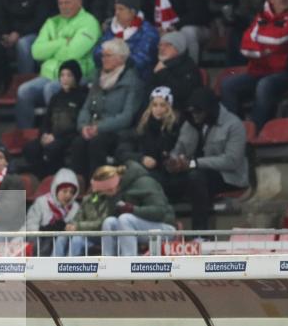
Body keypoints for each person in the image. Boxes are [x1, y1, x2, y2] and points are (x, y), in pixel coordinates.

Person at [221, 0, 288, 130]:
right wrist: (264, 50)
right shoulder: (262, 16)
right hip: (261, 70)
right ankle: (235, 129)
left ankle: (257, 130)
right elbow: (246, 44)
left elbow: (279, 38)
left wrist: (260, 43)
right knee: (228, 85)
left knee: (265, 85)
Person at [16, 0, 101, 129]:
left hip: (78, 76)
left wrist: (50, 49)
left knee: (51, 89)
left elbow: (72, 53)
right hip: (48, 75)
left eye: (67, 2)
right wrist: (61, 42)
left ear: (79, 2)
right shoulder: (52, 22)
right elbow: (36, 52)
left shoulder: (89, 22)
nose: (63, 7)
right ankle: (25, 134)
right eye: (60, 3)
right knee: (23, 91)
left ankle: (56, 132)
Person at [165, 87, 249, 231]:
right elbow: (179, 149)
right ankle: (167, 230)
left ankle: (200, 233)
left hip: (227, 177)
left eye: (198, 112)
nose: (194, 116)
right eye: (191, 112)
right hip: (192, 171)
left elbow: (232, 161)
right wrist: (173, 161)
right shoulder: (189, 124)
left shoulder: (233, 125)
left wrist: (194, 163)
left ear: (209, 110)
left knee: (197, 177)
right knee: (163, 179)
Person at [71, 38, 143, 180]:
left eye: (107, 55)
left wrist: (99, 128)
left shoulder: (132, 82)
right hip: (93, 128)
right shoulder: (98, 77)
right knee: (78, 142)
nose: (103, 59)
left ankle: (99, 183)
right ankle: (78, 184)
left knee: (97, 143)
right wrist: (83, 126)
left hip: (117, 131)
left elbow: (126, 117)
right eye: (102, 55)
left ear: (121, 58)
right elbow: (86, 108)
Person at [22, 59, 88, 178]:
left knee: (53, 148)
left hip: (69, 137)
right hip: (51, 135)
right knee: (31, 148)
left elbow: (77, 124)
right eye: (62, 75)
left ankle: (55, 178)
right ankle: (41, 179)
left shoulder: (82, 97)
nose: (65, 79)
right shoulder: (56, 97)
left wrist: (56, 136)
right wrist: (43, 135)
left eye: (69, 75)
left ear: (76, 77)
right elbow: (46, 121)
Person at [96, 164, 176, 256]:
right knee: (109, 222)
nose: (105, 194)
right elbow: (113, 215)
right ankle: (108, 261)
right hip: (137, 227)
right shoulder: (118, 191)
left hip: (164, 227)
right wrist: (113, 198)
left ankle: (129, 259)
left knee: (125, 219)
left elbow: (160, 212)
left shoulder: (145, 182)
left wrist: (132, 209)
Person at [138, 0, 211, 64]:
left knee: (189, 31)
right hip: (160, 28)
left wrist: (173, 27)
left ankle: (191, 68)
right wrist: (154, 29)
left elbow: (197, 14)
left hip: (192, 27)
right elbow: (145, 13)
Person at [115, 86, 181, 186]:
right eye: (154, 105)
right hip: (141, 170)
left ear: (169, 107)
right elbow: (121, 152)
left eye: (162, 105)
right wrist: (141, 158)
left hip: (163, 175)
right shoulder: (142, 127)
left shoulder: (174, 129)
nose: (158, 109)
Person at [93, 0, 159, 80]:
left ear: (132, 12)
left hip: (136, 78)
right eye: (116, 9)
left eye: (121, 9)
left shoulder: (148, 32)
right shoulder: (111, 29)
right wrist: (110, 58)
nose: (116, 13)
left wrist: (114, 59)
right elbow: (97, 51)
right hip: (108, 74)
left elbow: (142, 60)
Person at [0, 0, 51, 75]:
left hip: (35, 33)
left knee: (23, 43)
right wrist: (5, 34)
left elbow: (41, 19)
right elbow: (0, 15)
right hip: (10, 34)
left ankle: (24, 79)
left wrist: (19, 33)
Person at [25, 167, 80, 256]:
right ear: (56, 190)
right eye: (64, 191)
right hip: (40, 243)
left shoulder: (75, 207)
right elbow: (30, 227)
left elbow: (76, 226)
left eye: (71, 192)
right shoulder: (41, 202)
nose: (68, 195)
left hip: (64, 245)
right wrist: (47, 230)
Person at [149, 30, 203, 107]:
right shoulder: (158, 64)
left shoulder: (188, 66)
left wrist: (162, 72)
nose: (162, 48)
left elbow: (182, 92)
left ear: (179, 48)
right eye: (160, 45)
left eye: (167, 45)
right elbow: (149, 91)